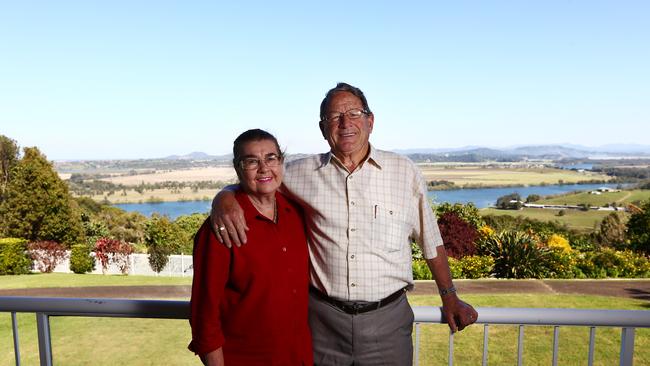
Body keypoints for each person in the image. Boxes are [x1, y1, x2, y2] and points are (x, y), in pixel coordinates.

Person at [211, 83, 477, 365]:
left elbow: (431, 241)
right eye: (334, 117)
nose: (345, 123)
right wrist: (224, 196)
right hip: (322, 324)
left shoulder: (404, 171)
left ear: (370, 121)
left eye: (354, 113)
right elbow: (261, 174)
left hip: (388, 324)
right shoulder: (299, 173)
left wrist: (450, 298)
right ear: (323, 128)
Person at [189, 129, 312, 366]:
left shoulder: (296, 213)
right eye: (251, 161)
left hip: (300, 357)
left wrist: (225, 193)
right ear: (238, 169)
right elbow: (205, 314)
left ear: (281, 162)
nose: (264, 168)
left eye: (271, 158)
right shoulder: (220, 228)